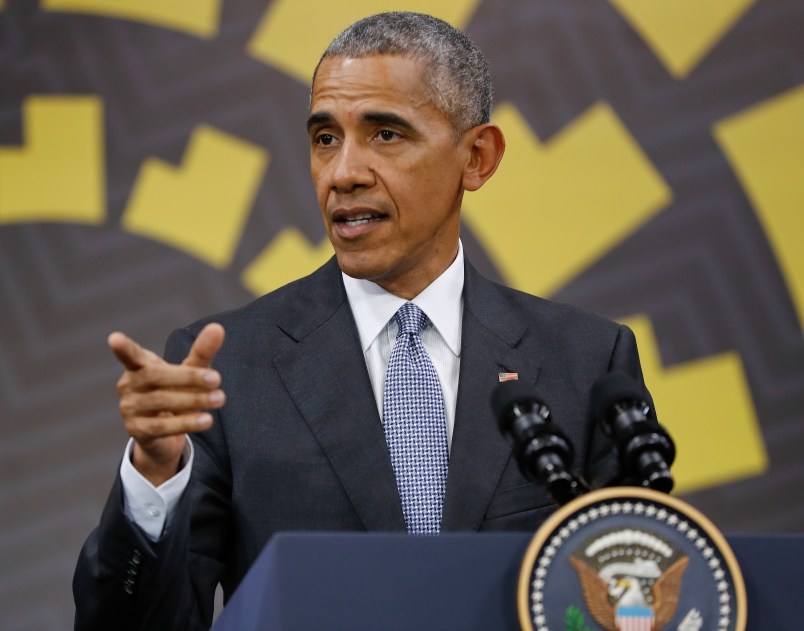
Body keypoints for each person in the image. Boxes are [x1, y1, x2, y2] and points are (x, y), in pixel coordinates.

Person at [74, 11, 650, 630]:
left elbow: (636, 598)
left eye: (386, 135)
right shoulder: (226, 371)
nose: (343, 173)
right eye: (325, 138)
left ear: (477, 158)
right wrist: (154, 477)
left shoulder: (586, 362)